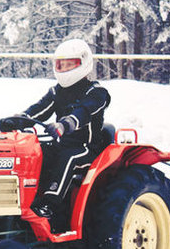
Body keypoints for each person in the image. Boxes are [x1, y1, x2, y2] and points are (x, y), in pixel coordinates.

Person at [17, 38, 110, 231]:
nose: (65, 69)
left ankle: (49, 205)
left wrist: (64, 124)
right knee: (36, 152)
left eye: (70, 64)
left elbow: (83, 112)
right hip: (62, 143)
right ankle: (26, 198)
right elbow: (39, 109)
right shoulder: (57, 91)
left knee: (68, 158)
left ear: (83, 63)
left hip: (87, 148)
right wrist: (19, 119)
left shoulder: (97, 93)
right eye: (62, 64)